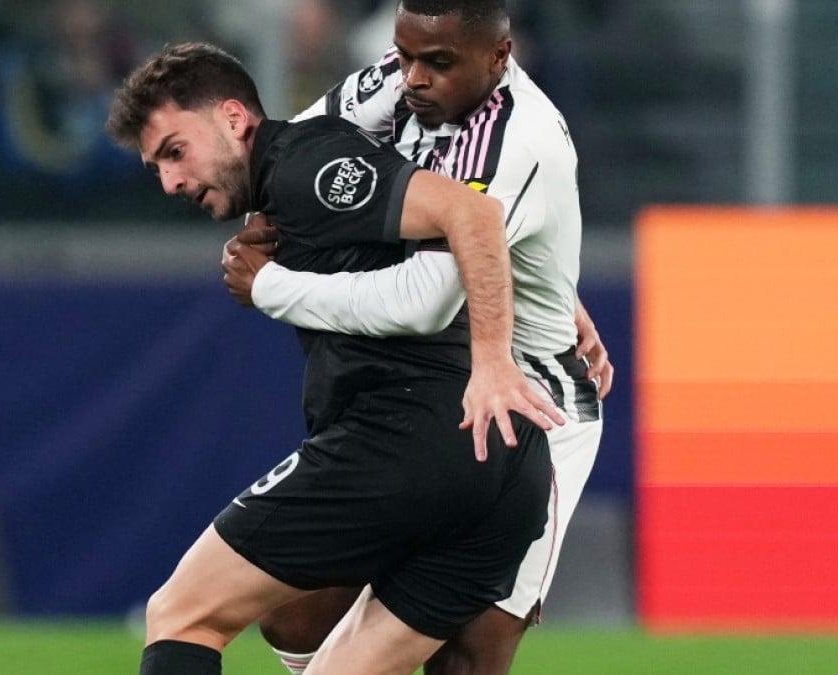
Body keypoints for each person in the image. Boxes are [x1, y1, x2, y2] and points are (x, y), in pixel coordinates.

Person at [106, 42, 562, 675]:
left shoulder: (305, 166)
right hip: (508, 465)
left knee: (182, 613)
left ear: (234, 119)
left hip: (411, 435)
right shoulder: (296, 182)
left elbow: (472, 211)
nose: (170, 182)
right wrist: (553, 299)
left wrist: (491, 360)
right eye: (156, 167)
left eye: (175, 152)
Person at [220, 2, 612, 673]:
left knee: (467, 649)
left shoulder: (519, 139)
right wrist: (268, 212)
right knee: (295, 611)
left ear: (500, 56)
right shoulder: (403, 81)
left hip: (527, 398)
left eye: (438, 62)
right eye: (404, 56)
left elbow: (425, 300)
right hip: (425, 380)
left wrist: (271, 287)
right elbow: (290, 151)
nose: (414, 78)